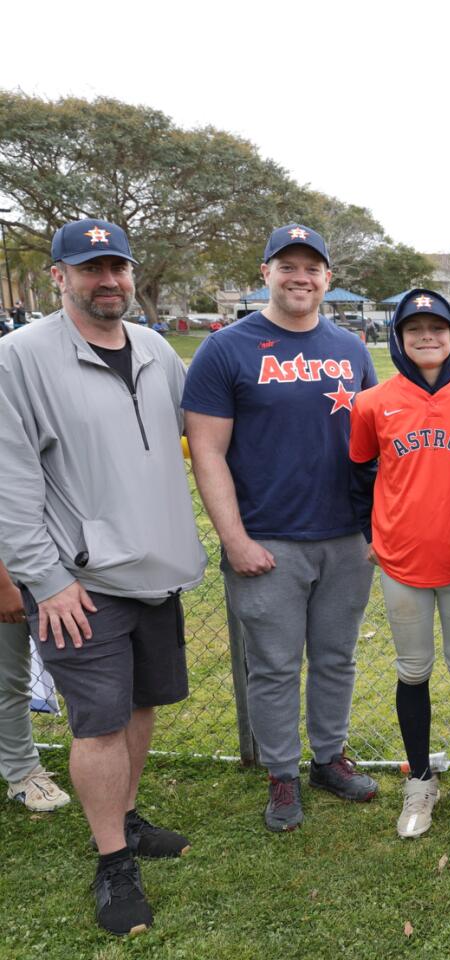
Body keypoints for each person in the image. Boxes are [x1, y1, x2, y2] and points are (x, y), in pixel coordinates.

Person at [0, 218, 206, 935]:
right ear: (58, 276)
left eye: (115, 266)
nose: (107, 280)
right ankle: (113, 862)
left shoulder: (152, 347)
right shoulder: (19, 358)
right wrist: (44, 579)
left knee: (142, 705)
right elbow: (11, 482)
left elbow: (200, 430)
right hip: (78, 585)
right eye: (89, 268)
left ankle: (125, 815)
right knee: (98, 722)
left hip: (157, 568)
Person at [184, 224, 380, 833]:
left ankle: (328, 758)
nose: (301, 277)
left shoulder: (351, 348)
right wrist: (235, 539)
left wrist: (377, 528)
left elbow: (376, 446)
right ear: (265, 271)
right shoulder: (227, 348)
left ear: (329, 278)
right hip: (267, 538)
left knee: (336, 657)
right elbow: (207, 451)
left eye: (312, 267)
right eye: (287, 265)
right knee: (271, 665)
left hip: (346, 536)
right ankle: (281, 773)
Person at [349, 288, 450, 838]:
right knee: (413, 670)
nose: (426, 337)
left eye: (437, 328)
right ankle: (420, 780)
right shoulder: (373, 402)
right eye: (414, 328)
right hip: (402, 558)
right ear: (397, 336)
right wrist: (371, 531)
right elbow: (358, 470)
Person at [2, 559, 71, 812]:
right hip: (8, 571)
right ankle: (23, 774)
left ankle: (100, 760)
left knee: (80, 670)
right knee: (9, 679)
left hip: (58, 566)